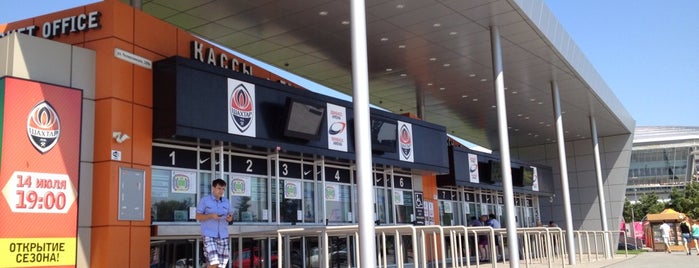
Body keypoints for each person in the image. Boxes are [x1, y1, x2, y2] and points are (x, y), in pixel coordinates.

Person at [196, 178, 233, 268]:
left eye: (223, 189)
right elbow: (197, 217)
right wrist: (211, 216)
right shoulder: (205, 200)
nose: (221, 191)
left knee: (221, 265)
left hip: (223, 235)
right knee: (213, 262)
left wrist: (230, 219)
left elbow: (231, 218)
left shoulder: (227, 202)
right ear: (213, 188)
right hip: (209, 235)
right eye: (219, 188)